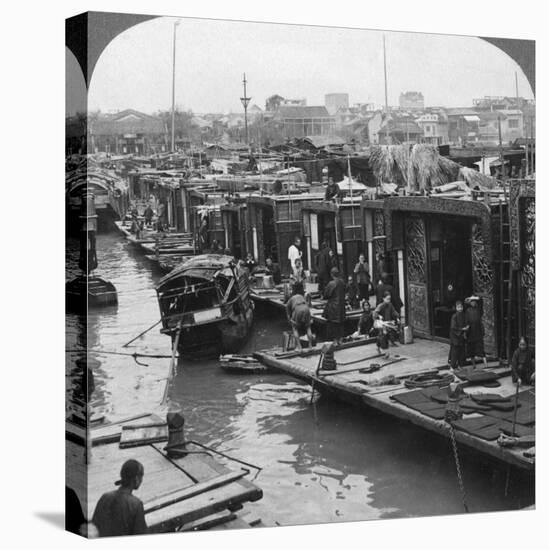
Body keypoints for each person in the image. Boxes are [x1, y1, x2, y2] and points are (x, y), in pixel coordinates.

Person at [91, 459, 147, 538]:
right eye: (141, 476)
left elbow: (94, 527)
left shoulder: (105, 497)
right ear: (136, 478)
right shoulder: (136, 505)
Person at [285, 282, 314, 351]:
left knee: (295, 328)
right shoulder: (302, 296)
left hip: (297, 308)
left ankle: (299, 347)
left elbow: (287, 308)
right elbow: (309, 306)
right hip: (305, 308)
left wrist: (289, 319)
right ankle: (310, 346)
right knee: (308, 327)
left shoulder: (292, 298)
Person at [323, 267, 346, 345]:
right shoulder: (342, 282)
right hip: (342, 305)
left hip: (333, 306)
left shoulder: (331, 283)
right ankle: (340, 339)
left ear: (331, 274)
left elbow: (326, 295)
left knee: (333, 324)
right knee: (341, 323)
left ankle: (335, 340)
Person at [373, 291, 401, 356]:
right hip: (381, 324)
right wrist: (379, 316)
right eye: (387, 299)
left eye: (389, 299)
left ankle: (378, 347)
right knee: (383, 336)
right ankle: (386, 351)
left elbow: (394, 312)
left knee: (383, 336)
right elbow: (375, 313)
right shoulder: (380, 305)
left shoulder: (390, 305)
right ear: (383, 298)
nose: (388, 300)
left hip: (387, 323)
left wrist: (397, 318)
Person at [464, 296, 488, 368]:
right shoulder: (467, 310)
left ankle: (486, 365)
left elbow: (481, 302)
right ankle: (474, 365)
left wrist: (476, 298)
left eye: (474, 302)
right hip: (470, 332)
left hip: (478, 332)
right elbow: (466, 321)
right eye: (472, 302)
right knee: (471, 350)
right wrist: (466, 331)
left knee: (481, 349)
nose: (473, 303)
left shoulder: (479, 310)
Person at [449, 300, 469, 370]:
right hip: (455, 337)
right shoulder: (454, 316)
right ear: (456, 308)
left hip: (461, 336)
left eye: (461, 307)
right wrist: (462, 329)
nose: (460, 308)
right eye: (458, 307)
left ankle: (460, 365)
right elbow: (453, 327)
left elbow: (466, 322)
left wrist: (467, 327)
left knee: (461, 352)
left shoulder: (464, 315)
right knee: (455, 352)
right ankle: (452, 366)